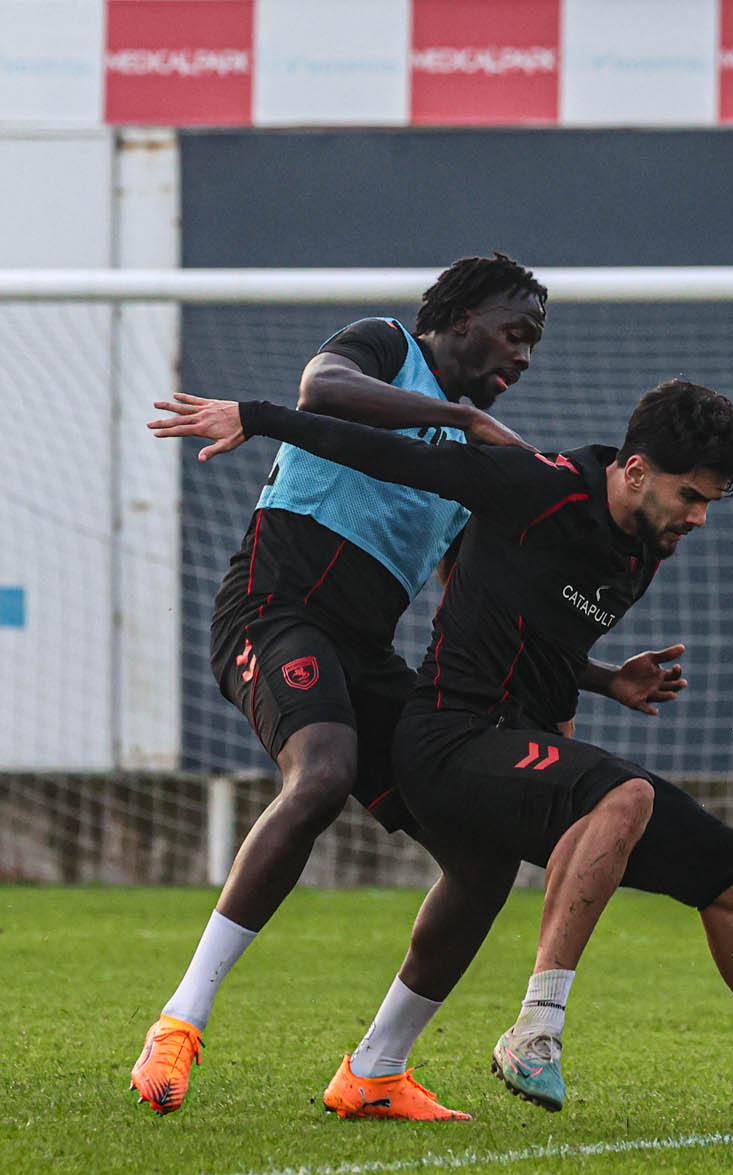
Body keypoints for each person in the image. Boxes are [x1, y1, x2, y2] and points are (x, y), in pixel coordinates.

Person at [148, 379, 733, 1128]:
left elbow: (541, 642)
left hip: (515, 749)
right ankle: (535, 1030)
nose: (699, 517)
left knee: (732, 866)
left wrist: (604, 681)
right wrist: (254, 417)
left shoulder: (642, 546)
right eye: (691, 496)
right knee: (624, 794)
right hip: (447, 737)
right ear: (635, 471)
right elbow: (389, 456)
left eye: (710, 502)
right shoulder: (539, 487)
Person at [129, 254, 566, 1115]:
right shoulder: (386, 345)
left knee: (485, 852)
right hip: (271, 611)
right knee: (323, 770)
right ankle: (179, 1022)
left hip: (362, 653)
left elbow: (473, 602)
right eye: (516, 333)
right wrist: (460, 419)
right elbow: (321, 390)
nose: (523, 357)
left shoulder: (468, 460)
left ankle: (375, 1071)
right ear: (462, 317)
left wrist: (595, 673)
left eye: (534, 345)